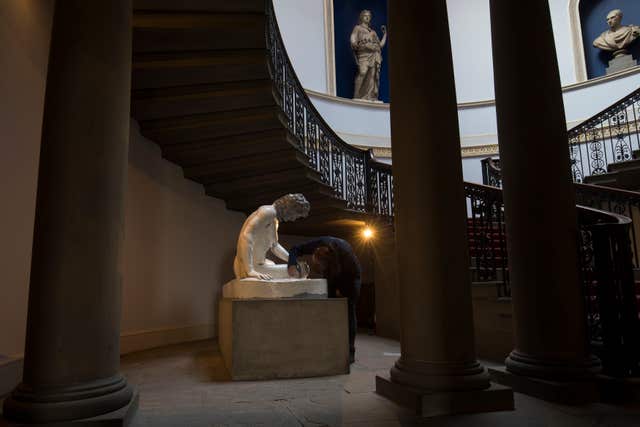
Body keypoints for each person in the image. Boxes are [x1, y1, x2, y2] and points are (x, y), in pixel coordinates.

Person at [287, 237, 361, 363]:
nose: (318, 268)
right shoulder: (319, 243)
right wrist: (292, 265)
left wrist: (342, 291)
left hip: (351, 276)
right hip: (334, 271)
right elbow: (294, 249)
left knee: (349, 310)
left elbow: (352, 277)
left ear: (327, 263)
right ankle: (329, 344)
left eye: (320, 266)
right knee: (329, 307)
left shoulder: (346, 256)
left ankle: (350, 351)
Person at [233, 194, 310, 280]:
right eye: (295, 215)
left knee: (287, 268)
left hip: (259, 265)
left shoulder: (273, 219)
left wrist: (292, 260)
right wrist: (250, 270)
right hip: (248, 268)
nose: (293, 219)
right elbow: (246, 236)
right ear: (290, 208)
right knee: (297, 272)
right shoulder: (267, 212)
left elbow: (274, 246)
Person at [350, 9, 387, 101]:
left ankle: (370, 97)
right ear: (361, 17)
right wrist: (354, 42)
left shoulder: (373, 32)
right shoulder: (358, 28)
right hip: (364, 54)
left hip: (374, 55)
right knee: (363, 72)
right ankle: (357, 96)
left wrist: (385, 34)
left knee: (372, 76)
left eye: (369, 16)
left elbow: (380, 45)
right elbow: (353, 37)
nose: (367, 17)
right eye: (365, 15)